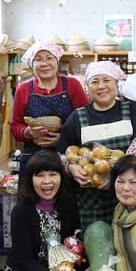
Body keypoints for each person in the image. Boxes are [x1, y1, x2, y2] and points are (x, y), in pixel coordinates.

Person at [58, 60, 136, 229]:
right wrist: (71, 168)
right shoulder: (77, 117)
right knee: (97, 244)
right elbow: (62, 153)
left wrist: (117, 173)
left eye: (107, 80)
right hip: (91, 200)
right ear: (87, 88)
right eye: (95, 82)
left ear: (116, 84)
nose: (101, 86)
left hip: (129, 195)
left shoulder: (130, 110)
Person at [11, 41, 89, 179]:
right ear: (32, 64)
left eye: (49, 58)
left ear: (57, 61)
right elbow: (16, 126)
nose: (44, 63)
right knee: (31, 200)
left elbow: (86, 123)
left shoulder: (72, 85)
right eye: (38, 59)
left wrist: (62, 140)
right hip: (33, 159)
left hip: (68, 160)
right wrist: (28, 133)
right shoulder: (23, 89)